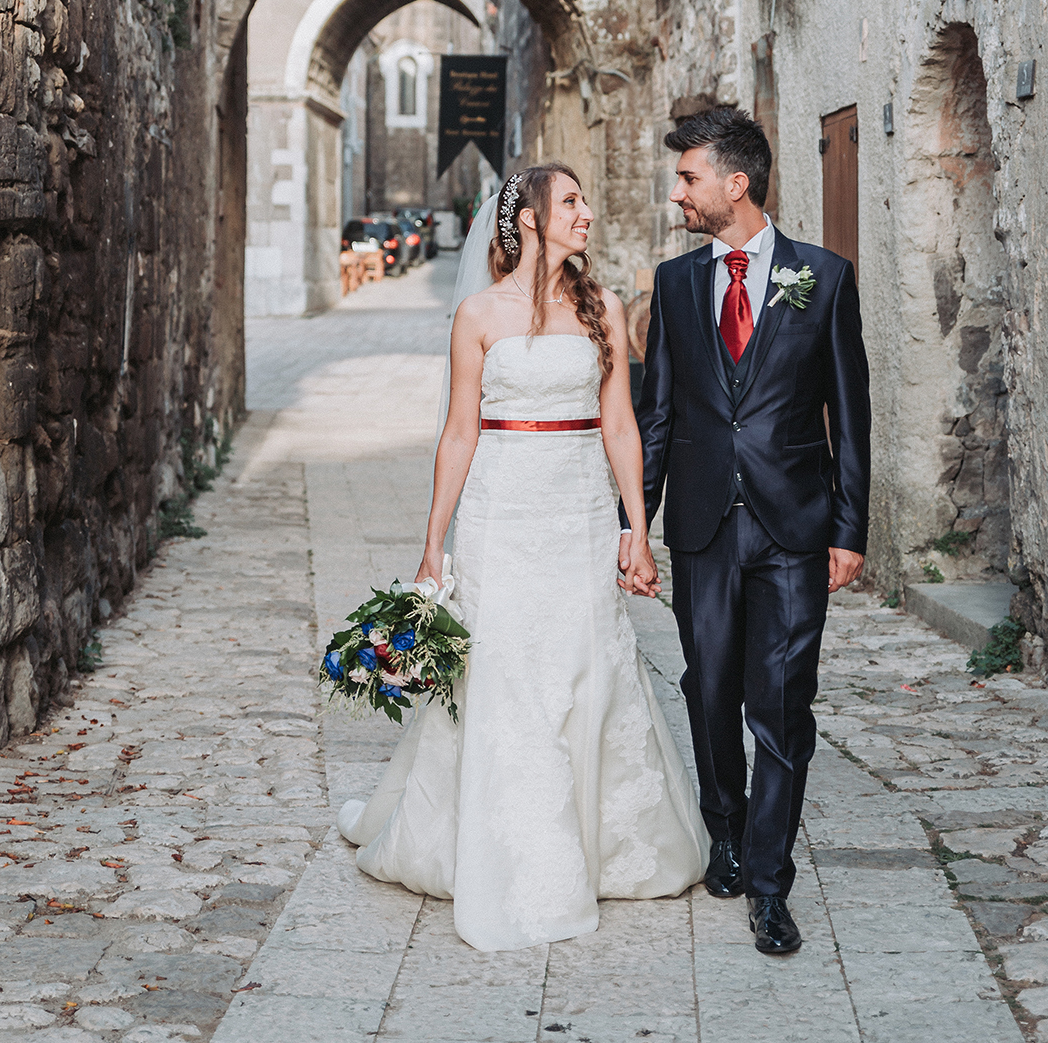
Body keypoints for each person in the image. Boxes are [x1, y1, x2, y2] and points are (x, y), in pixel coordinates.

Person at [337, 163, 709, 951]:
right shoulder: (476, 315)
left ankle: (601, 842)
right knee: (502, 671)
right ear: (530, 219)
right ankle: (500, 845)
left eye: (584, 199)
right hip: (501, 512)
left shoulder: (600, 307)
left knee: (585, 661)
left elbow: (618, 428)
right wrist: (432, 546)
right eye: (571, 201)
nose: (586, 212)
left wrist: (635, 527)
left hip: (576, 512)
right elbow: (459, 432)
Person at [619, 105, 871, 955]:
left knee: (782, 702)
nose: (676, 192)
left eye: (688, 177)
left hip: (793, 526)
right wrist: (636, 526)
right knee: (709, 686)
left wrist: (848, 528)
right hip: (701, 524)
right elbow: (656, 416)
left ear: (736, 182)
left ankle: (770, 882)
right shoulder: (677, 283)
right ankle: (721, 825)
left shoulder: (823, 278)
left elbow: (850, 415)